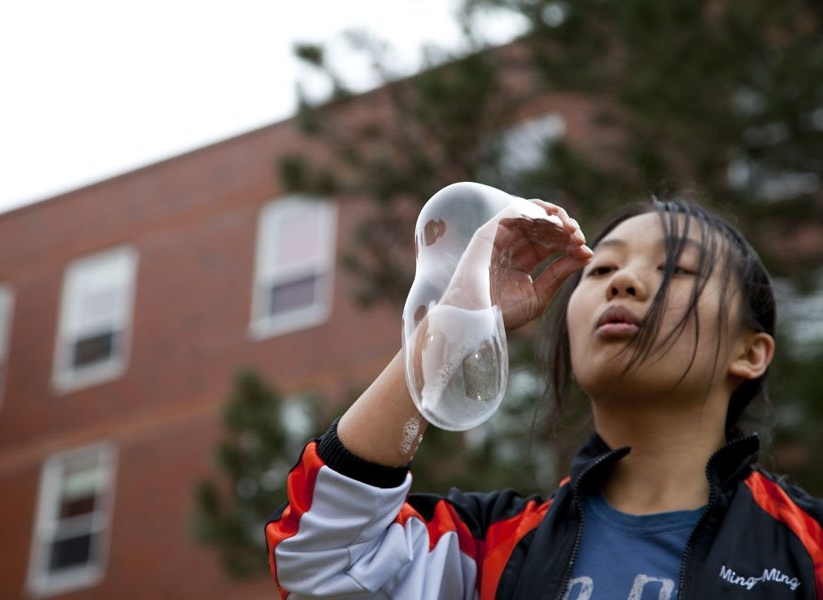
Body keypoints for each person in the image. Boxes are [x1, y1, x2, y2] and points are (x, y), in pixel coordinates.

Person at [265, 196, 823, 599]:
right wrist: (460, 317)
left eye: (675, 268)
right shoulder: (484, 550)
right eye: (601, 267)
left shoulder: (810, 549)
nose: (621, 282)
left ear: (751, 352)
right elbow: (322, 558)